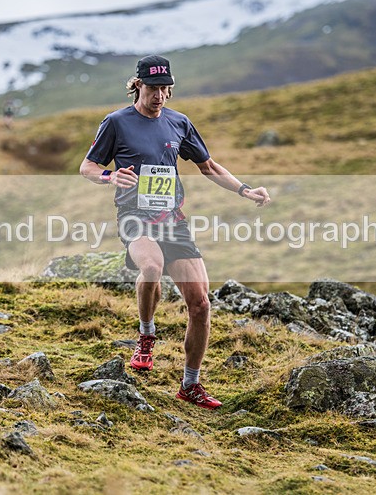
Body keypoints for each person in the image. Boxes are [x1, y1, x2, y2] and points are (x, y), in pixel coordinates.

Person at [79, 55, 271, 410]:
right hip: (134, 215)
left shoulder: (179, 123)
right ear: (138, 85)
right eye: (153, 88)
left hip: (173, 219)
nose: (160, 96)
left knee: (200, 305)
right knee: (150, 267)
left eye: (166, 88)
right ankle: (147, 336)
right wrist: (109, 176)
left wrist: (245, 190)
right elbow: (87, 166)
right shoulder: (117, 122)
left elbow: (208, 166)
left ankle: (190, 385)